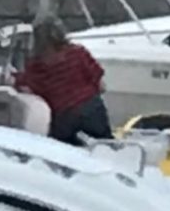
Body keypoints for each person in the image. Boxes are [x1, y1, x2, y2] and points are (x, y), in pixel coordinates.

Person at [17, 16, 111, 144]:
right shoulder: (78, 53)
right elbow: (101, 86)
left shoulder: (36, 66)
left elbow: (27, 88)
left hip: (64, 118)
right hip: (92, 109)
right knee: (106, 147)